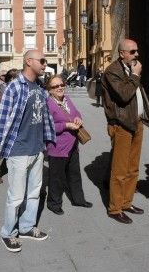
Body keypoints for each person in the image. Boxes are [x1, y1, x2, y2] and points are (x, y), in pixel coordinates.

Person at [0, 50, 55, 253]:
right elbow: (1, 120)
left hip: (37, 149)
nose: (45, 65)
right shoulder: (14, 87)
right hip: (19, 151)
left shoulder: (39, 87)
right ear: (29, 62)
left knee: (34, 193)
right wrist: (0, 147)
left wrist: (46, 143)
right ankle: (8, 233)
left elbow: (45, 117)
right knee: (16, 197)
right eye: (42, 61)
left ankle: (27, 227)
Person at [102, 39, 149, 224]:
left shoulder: (131, 69)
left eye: (137, 51)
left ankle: (126, 202)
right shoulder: (112, 71)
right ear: (122, 53)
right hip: (122, 124)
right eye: (132, 51)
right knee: (120, 169)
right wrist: (136, 75)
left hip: (136, 123)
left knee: (133, 167)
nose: (136, 54)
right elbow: (123, 95)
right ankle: (115, 208)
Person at [45, 74, 92, 215]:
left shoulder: (67, 99)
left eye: (61, 84)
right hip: (57, 148)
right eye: (55, 86)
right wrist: (66, 125)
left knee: (74, 174)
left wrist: (78, 118)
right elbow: (48, 127)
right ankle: (54, 203)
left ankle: (78, 199)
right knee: (56, 178)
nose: (59, 87)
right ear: (50, 89)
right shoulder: (48, 104)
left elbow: (75, 112)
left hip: (72, 144)